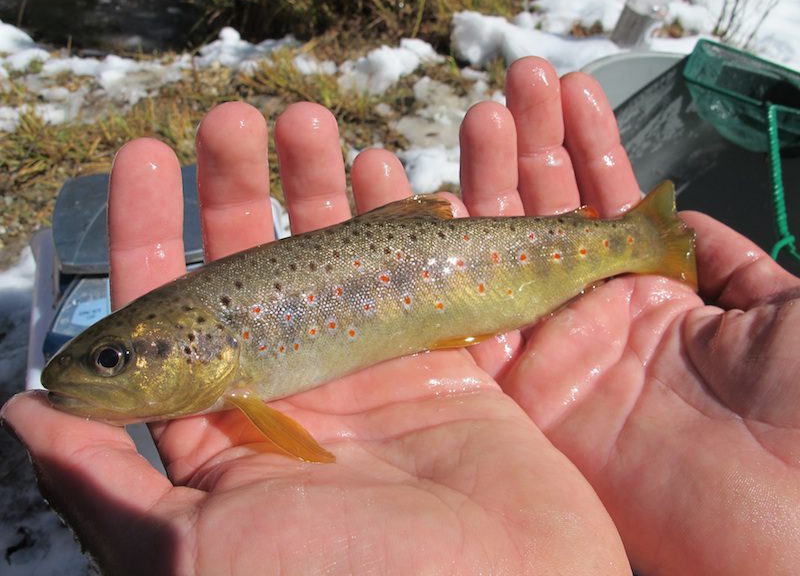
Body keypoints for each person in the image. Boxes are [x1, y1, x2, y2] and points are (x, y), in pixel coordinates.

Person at [2, 56, 799, 575]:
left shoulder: (231, 376)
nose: (95, 371)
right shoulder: (219, 364)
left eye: (114, 360)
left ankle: (635, 243)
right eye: (114, 359)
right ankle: (635, 241)